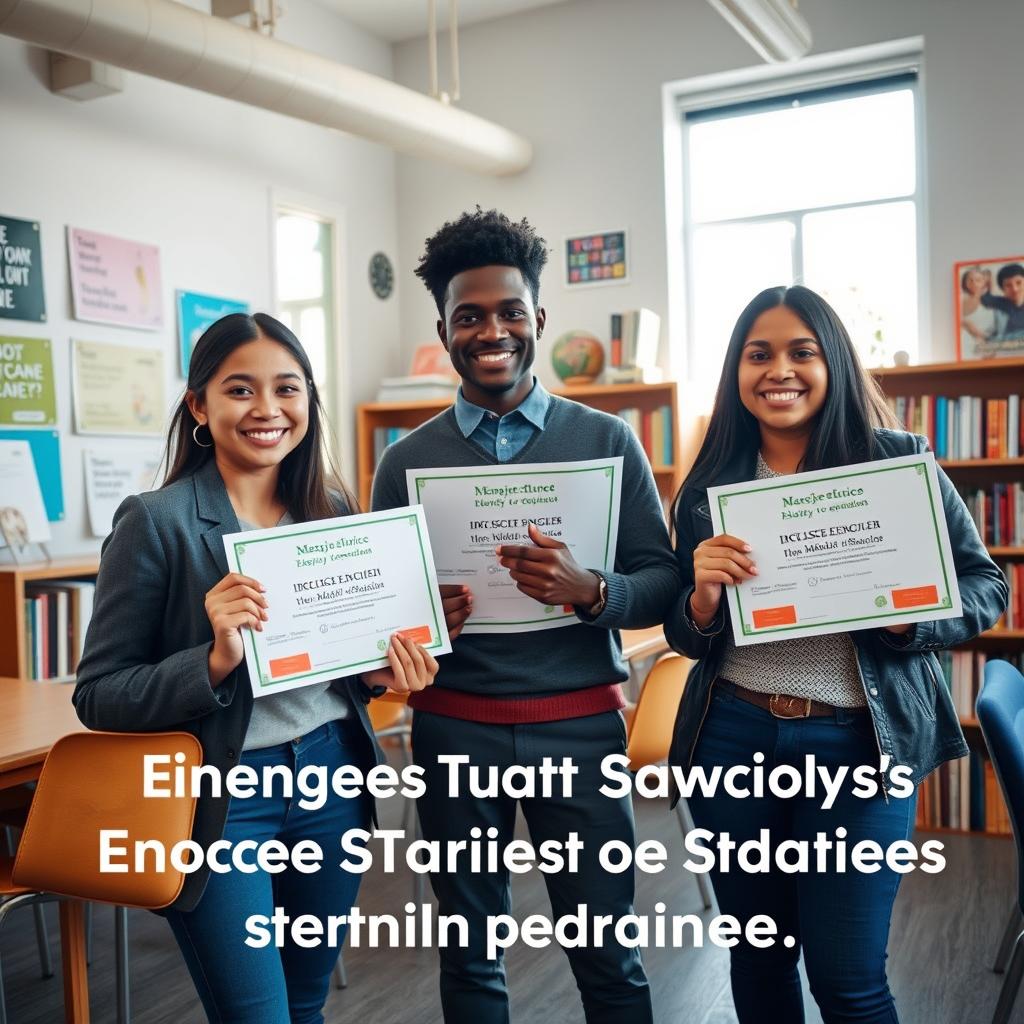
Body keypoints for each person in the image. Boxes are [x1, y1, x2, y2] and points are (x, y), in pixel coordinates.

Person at [73, 312, 439, 1024]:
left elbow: (342, 671)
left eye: (287, 388)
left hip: (333, 776)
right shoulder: (156, 521)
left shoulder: (332, 510)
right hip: (223, 795)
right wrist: (213, 660)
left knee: (305, 1005)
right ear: (198, 405)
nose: (267, 409)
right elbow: (99, 694)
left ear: (309, 402)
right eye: (240, 389)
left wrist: (381, 676)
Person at [665, 285, 1007, 1024]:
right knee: (758, 960)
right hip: (732, 739)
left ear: (834, 365)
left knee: (848, 980)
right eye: (758, 354)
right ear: (736, 370)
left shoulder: (896, 463)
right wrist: (701, 602)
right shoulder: (705, 488)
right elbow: (684, 635)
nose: (778, 371)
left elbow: (988, 585)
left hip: (857, 747)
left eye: (802, 352)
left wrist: (909, 621)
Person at [371, 208, 679, 1024]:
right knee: (469, 954)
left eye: (510, 311)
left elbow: (662, 582)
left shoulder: (608, 440)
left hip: (578, 727)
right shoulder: (404, 462)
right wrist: (420, 620)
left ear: (538, 319)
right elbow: (382, 616)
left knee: (607, 949)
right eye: (468, 316)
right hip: (453, 730)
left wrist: (591, 589)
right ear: (444, 330)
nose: (491, 331)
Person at [959, 266, 1005, 353]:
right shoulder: (962, 300)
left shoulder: (991, 300)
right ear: (965, 282)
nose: (974, 283)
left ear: (984, 282)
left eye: (978, 280)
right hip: (972, 344)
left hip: (992, 343)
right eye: (970, 280)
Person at [981, 262, 1024, 341]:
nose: (1015, 289)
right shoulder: (1000, 303)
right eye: (1008, 285)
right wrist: (988, 284)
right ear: (1002, 289)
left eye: (1019, 283)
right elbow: (984, 298)